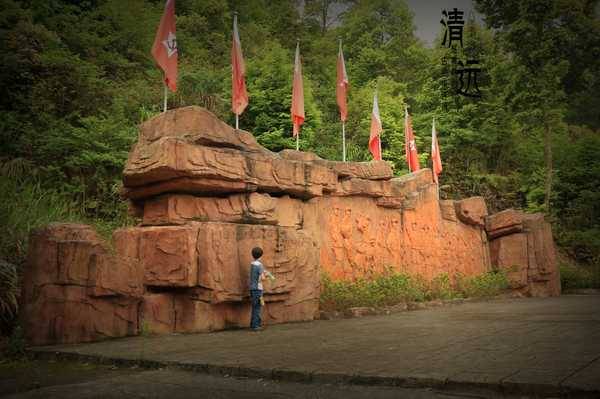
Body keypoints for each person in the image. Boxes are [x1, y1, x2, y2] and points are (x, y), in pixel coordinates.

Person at [249, 247, 274, 331]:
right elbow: (262, 278)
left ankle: (253, 325)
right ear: (261, 255)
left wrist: (264, 273)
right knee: (257, 307)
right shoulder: (260, 265)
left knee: (254, 307)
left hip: (252, 288)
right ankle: (256, 326)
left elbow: (257, 275)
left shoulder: (252, 264)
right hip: (258, 289)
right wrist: (267, 275)